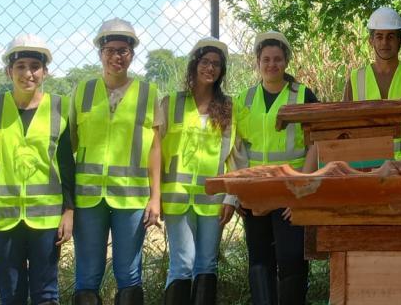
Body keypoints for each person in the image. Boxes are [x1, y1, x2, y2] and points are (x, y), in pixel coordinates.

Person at [0, 34, 75, 305]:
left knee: (46, 292)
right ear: (8, 71)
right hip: (3, 218)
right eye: (20, 66)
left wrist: (69, 211)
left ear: (45, 72)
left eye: (35, 66)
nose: (28, 73)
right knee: (11, 293)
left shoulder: (60, 108)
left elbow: (67, 164)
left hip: (46, 218)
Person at [70, 19, 160, 305]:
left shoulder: (148, 93)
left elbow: (155, 148)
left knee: (129, 274)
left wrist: (155, 197)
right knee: (87, 276)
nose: (116, 57)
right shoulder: (83, 91)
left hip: (131, 197)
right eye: (110, 50)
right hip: (88, 197)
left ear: (132, 54)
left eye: (123, 50)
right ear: (100, 53)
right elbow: (69, 144)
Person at [158, 38, 246, 305]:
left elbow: (236, 157)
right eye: (205, 62)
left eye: (216, 64)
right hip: (177, 197)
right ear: (194, 64)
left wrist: (231, 197)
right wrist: (155, 195)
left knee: (207, 264)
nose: (210, 68)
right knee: (182, 263)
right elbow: (156, 151)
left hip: (213, 200)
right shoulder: (171, 103)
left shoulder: (229, 108)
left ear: (222, 70)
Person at [233, 31, 318, 305]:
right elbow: (237, 148)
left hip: (291, 191)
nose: (272, 64)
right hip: (255, 192)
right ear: (258, 62)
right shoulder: (244, 99)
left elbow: (316, 144)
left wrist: (301, 191)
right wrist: (240, 192)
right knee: (260, 260)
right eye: (266, 59)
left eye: (278, 59)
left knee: (292, 258)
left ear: (286, 62)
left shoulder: (303, 95)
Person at [342, 6, 401, 160]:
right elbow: (346, 127)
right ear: (371, 40)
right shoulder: (356, 78)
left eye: (390, 36)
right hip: (368, 165)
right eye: (379, 36)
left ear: (400, 40)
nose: (385, 42)